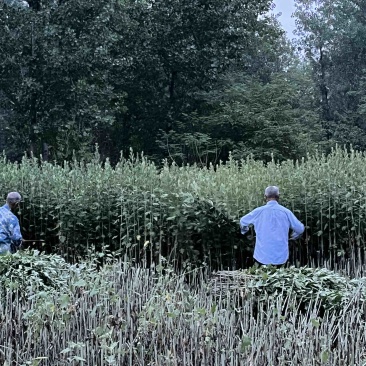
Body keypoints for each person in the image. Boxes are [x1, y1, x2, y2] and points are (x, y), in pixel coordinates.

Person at [240, 186, 304, 267]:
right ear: (278, 197)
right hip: (281, 257)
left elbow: (243, 221)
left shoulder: (258, 211)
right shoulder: (286, 212)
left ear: (265, 197)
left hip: (262, 256)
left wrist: (246, 231)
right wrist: (293, 236)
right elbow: (300, 229)